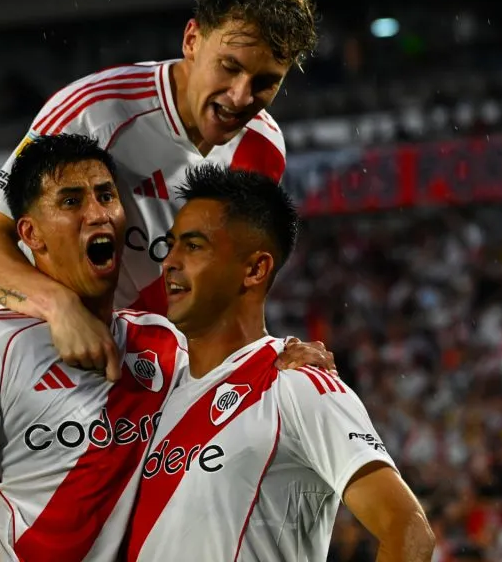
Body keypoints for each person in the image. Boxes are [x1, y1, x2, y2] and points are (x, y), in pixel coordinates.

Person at [0, 135, 329, 562]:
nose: (97, 214)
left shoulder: (167, 343)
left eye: (106, 196)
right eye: (71, 202)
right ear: (31, 234)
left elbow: (237, 376)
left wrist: (283, 358)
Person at [0, 0, 319, 381]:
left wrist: (274, 352)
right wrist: (59, 306)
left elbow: (229, 290)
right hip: (55, 360)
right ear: (192, 40)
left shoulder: (264, 150)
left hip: (160, 379)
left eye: (264, 81)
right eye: (229, 67)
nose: (240, 96)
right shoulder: (94, 112)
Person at [123, 165, 436, 562]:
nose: (169, 262)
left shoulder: (297, 386)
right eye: (170, 245)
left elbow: (408, 530)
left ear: (254, 269)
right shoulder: (155, 393)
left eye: (194, 245)